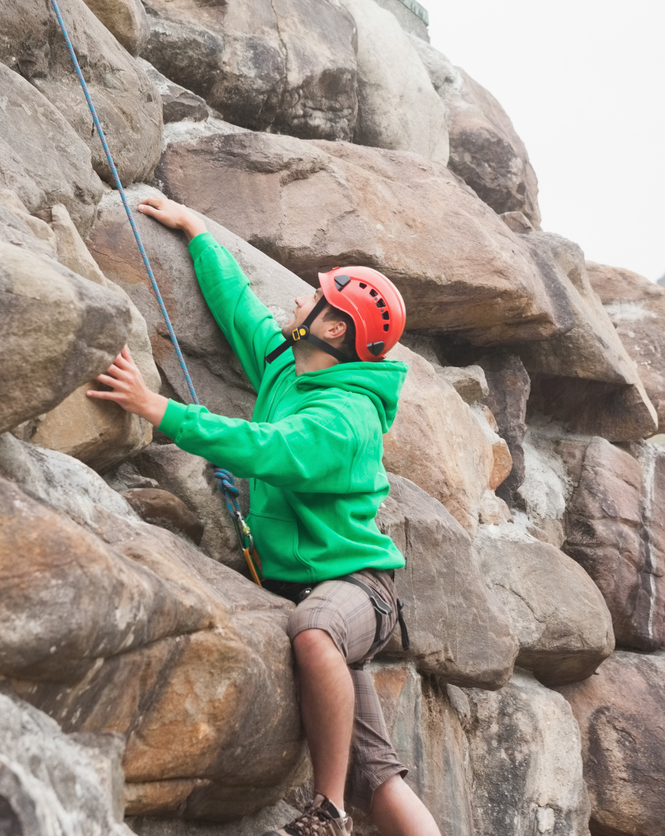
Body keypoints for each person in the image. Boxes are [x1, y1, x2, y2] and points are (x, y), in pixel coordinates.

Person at [87, 195, 441, 836]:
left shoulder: (345, 419)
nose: (301, 298)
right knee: (380, 781)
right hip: (306, 586)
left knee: (313, 631)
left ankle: (327, 813)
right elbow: (240, 311)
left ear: (335, 328)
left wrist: (157, 409)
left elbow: (267, 449)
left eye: (316, 295)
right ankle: (350, 798)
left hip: (358, 588)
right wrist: (197, 232)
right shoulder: (287, 365)